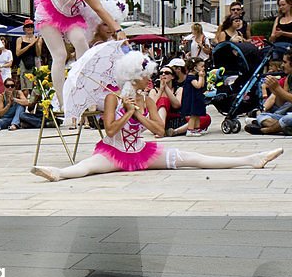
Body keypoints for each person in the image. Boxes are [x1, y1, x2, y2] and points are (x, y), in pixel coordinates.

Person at [32, 51, 282, 181]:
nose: (150, 78)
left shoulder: (147, 98)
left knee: (193, 158)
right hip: (113, 152)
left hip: (142, 150)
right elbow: (110, 130)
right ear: (133, 76)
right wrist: (127, 111)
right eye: (146, 74)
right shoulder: (112, 97)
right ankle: (56, 173)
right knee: (85, 168)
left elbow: (160, 130)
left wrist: (137, 113)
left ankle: (251, 159)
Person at [34, 0, 125, 104]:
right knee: (60, 55)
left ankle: (79, 89)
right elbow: (96, 6)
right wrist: (117, 29)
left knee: (82, 46)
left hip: (71, 16)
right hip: (50, 11)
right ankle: (61, 102)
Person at [247, 51, 292, 135]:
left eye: (285, 62)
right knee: (262, 116)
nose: (282, 65)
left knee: (287, 118)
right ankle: (282, 128)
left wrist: (278, 89)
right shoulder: (289, 78)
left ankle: (265, 130)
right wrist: (274, 90)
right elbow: (281, 104)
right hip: (286, 115)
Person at [181, 58, 208, 135]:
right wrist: (200, 77)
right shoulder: (190, 77)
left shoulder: (195, 77)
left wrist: (202, 77)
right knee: (193, 115)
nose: (203, 68)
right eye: (201, 66)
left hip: (196, 99)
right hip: (192, 99)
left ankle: (197, 128)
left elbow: (202, 85)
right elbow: (198, 86)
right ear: (194, 67)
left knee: (197, 115)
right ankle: (190, 129)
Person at [14, 19, 42, 91]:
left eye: (31, 26)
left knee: (37, 85)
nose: (29, 28)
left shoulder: (38, 39)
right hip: (24, 63)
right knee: (25, 87)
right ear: (24, 29)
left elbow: (38, 53)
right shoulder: (20, 39)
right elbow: (18, 53)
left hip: (35, 62)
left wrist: (36, 43)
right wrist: (30, 44)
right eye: (27, 26)